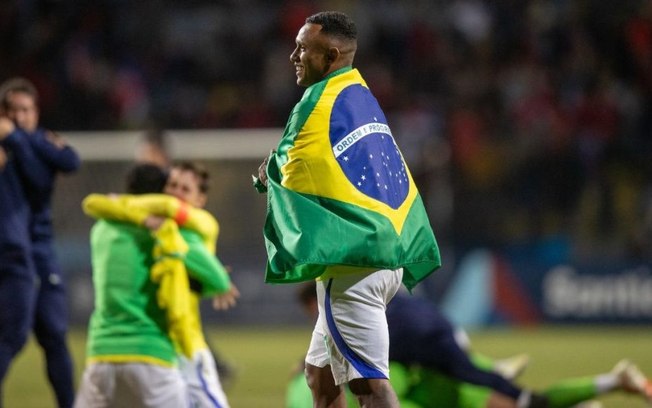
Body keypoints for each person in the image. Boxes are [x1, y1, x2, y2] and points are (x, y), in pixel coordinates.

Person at [254, 11, 441, 408]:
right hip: (387, 249)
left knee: (369, 388)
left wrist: (265, 176)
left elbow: (287, 166)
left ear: (331, 55)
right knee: (319, 375)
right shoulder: (359, 95)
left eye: (304, 48)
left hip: (355, 268)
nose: (293, 56)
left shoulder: (314, 103)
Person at [289, 282, 652, 408]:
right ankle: (493, 370)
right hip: (438, 353)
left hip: (438, 380)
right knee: (517, 397)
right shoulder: (370, 301)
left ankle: (493, 372)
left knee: (523, 401)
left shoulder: (345, 311)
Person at [81, 161, 238, 407]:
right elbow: (215, 277)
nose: (176, 193)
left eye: (185, 189)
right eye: (172, 186)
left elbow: (92, 203)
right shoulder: (166, 228)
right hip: (158, 347)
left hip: (176, 345)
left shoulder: (106, 225)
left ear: (201, 199)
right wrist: (215, 279)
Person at [0, 77, 80, 408]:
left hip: (39, 251)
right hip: (10, 250)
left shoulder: (30, 142)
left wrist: (17, 139)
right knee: (10, 336)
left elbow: (70, 161)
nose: (21, 116)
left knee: (54, 335)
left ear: (36, 111)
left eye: (27, 110)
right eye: (14, 110)